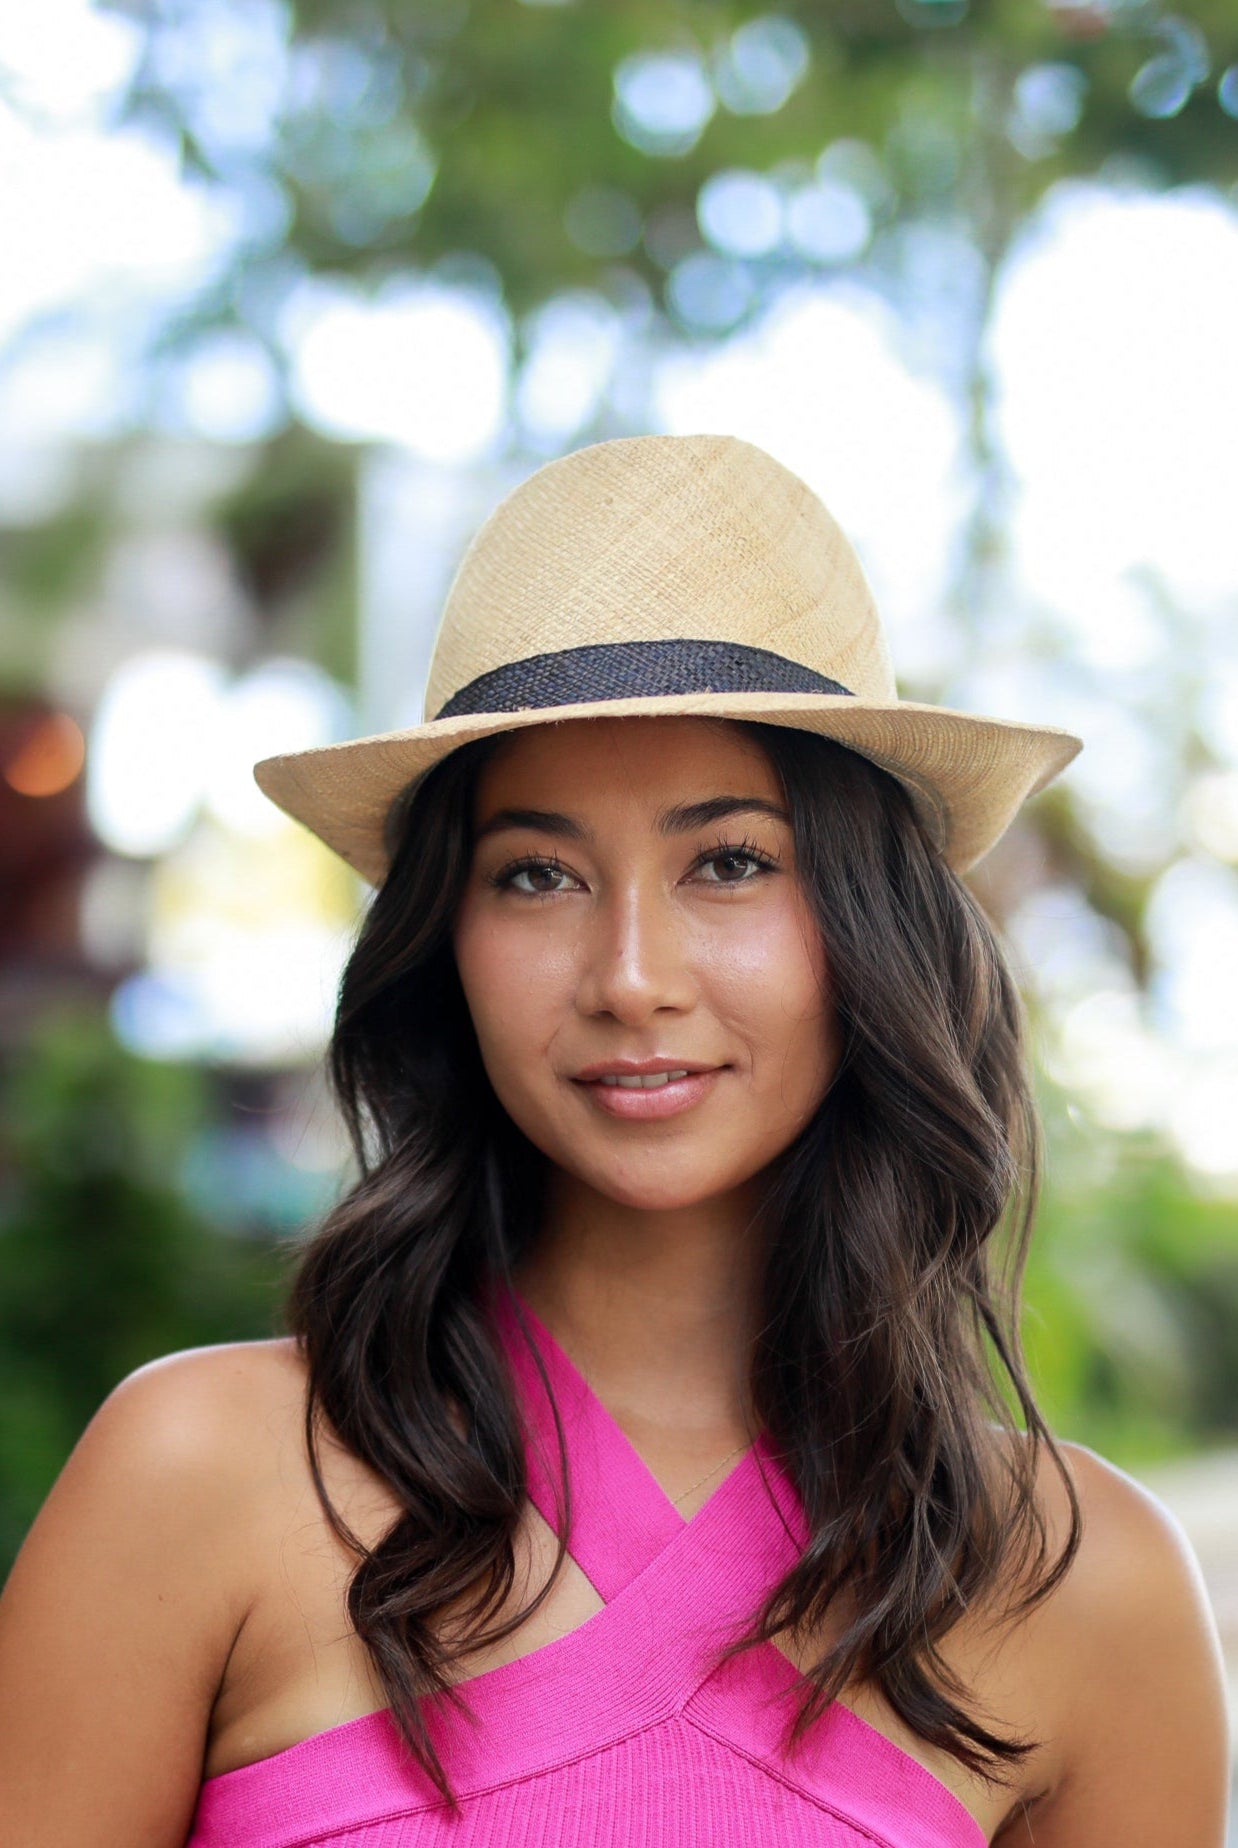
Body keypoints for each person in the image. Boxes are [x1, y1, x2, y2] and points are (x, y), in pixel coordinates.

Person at [0, 434, 1229, 1848]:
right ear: (444, 943)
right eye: (535, 874)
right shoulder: (198, 1478)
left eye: (728, 862)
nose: (628, 974)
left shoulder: (1080, 1589)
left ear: (868, 920)